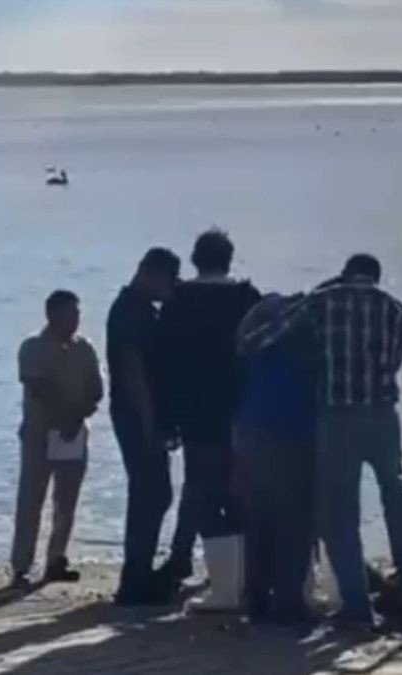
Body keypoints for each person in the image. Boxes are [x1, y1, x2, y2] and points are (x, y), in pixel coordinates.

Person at [239, 254, 402, 624]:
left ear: (346, 274)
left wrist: (252, 341)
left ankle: (356, 605)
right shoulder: (392, 309)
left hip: (338, 417)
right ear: (376, 278)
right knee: (394, 486)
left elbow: (268, 335)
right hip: (383, 415)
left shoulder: (324, 302)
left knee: (339, 513)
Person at [158, 229, 260, 612]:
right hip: (241, 409)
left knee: (198, 486)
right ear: (229, 259)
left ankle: (184, 557)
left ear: (195, 258)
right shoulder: (247, 299)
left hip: (194, 411)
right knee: (238, 490)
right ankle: (240, 570)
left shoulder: (178, 300)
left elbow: (164, 363)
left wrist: (167, 418)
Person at [234, 292, 319, 625]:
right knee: (296, 522)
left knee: (259, 518)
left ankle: (255, 597)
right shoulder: (310, 340)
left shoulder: (261, 341)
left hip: (254, 431)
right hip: (297, 434)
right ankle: (288, 601)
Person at [9, 290, 104, 588]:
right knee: (31, 500)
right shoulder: (33, 347)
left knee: (67, 501)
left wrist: (77, 417)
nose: (75, 320)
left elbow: (96, 389)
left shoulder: (84, 348)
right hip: (39, 434)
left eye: (78, 314)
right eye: (70, 314)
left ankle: (56, 559)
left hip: (74, 434)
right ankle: (22, 564)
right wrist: (65, 415)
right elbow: (37, 386)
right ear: (52, 314)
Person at [108, 247, 181, 606]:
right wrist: (150, 423)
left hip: (141, 415)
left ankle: (138, 571)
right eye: (169, 280)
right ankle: (135, 578)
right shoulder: (131, 312)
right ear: (151, 274)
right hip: (136, 416)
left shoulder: (139, 309)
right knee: (150, 494)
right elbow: (132, 370)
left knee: (154, 493)